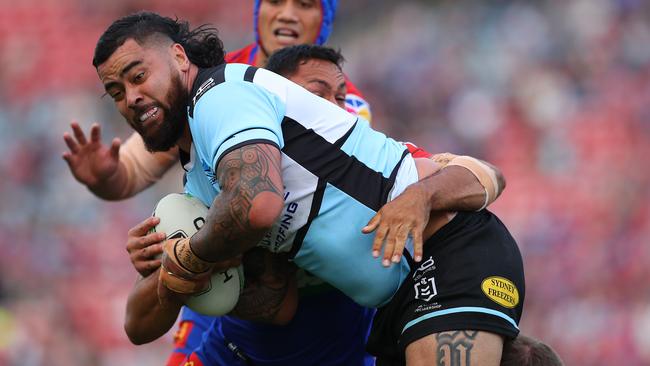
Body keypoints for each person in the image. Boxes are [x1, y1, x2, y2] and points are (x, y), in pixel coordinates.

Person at [92, 12, 524, 365]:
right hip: (387, 306)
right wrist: (176, 271)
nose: (130, 96)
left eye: (138, 75)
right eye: (116, 91)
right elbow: (274, 302)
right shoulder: (200, 177)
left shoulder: (220, 96)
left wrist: (192, 254)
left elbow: (257, 206)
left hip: (444, 256)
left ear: (179, 57)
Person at [62, 1, 376, 364]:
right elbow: (135, 166)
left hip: (310, 306)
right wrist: (109, 181)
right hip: (227, 278)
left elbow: (280, 215)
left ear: (326, 18)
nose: (287, 14)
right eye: (275, 1)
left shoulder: (340, 104)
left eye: (305, 4)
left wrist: (192, 248)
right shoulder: (212, 82)